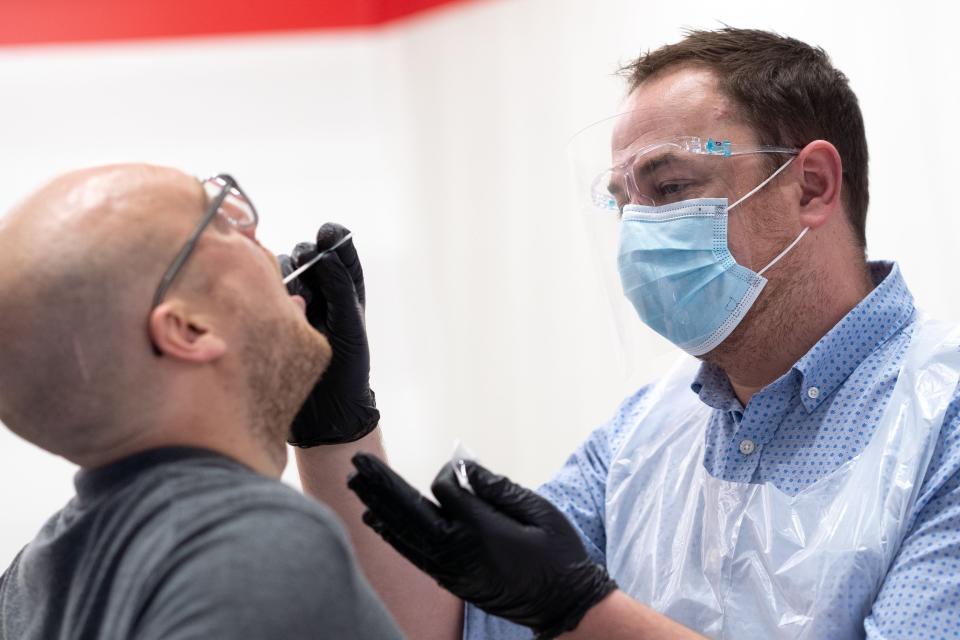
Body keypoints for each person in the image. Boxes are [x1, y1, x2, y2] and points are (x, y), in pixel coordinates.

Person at [304, 28, 960, 640]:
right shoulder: (646, 430)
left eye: (671, 186)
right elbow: (447, 624)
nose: (638, 236)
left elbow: (561, 601)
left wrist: (583, 611)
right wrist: (336, 427)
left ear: (810, 186)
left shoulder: (941, 422)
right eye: (623, 203)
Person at [0, 165, 404, 639]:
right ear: (189, 330)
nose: (256, 233)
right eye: (221, 222)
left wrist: (339, 443)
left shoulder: (27, 587)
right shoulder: (255, 549)